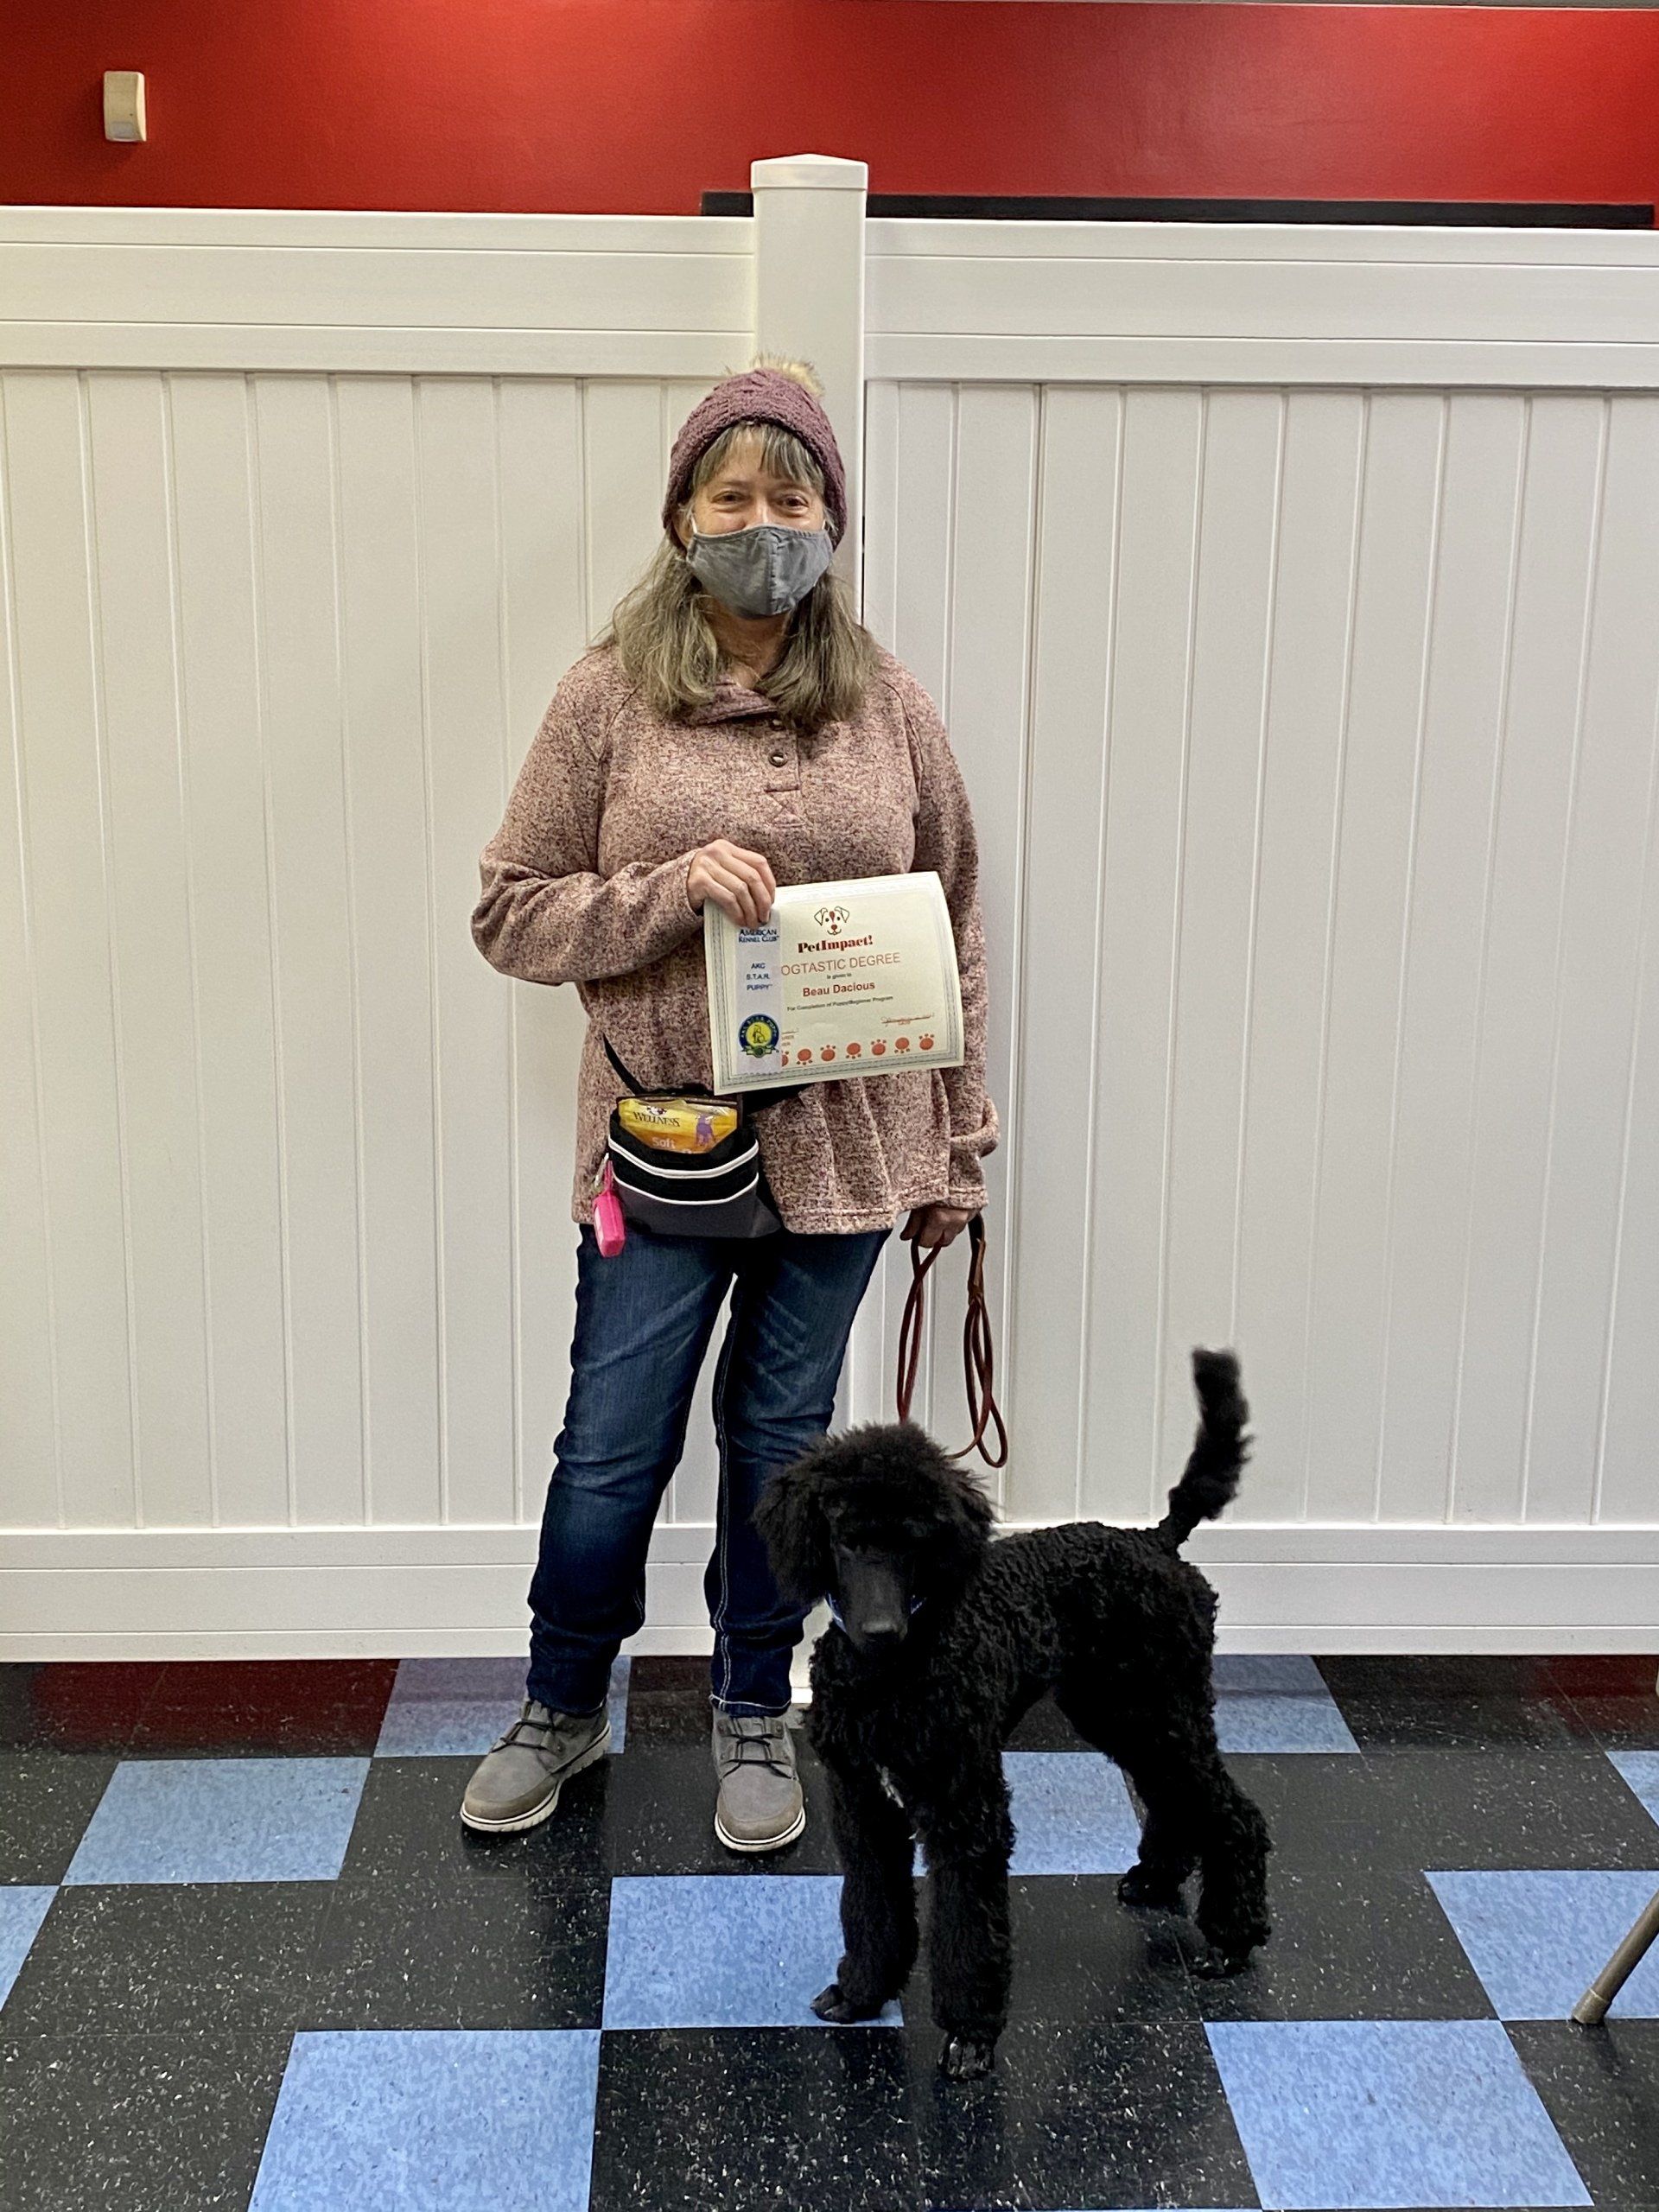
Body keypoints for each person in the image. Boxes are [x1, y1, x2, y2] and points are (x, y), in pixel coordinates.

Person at [462, 353, 999, 1852]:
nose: (768, 519)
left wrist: (958, 1146)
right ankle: (562, 1706)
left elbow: (955, 919)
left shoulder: (887, 702)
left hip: (848, 1154)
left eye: (795, 492)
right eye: (735, 493)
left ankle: (755, 1715)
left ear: (835, 515)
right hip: (666, 1149)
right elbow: (509, 914)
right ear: (683, 518)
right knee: (611, 1448)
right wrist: (661, 895)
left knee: (784, 1456)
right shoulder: (607, 699)